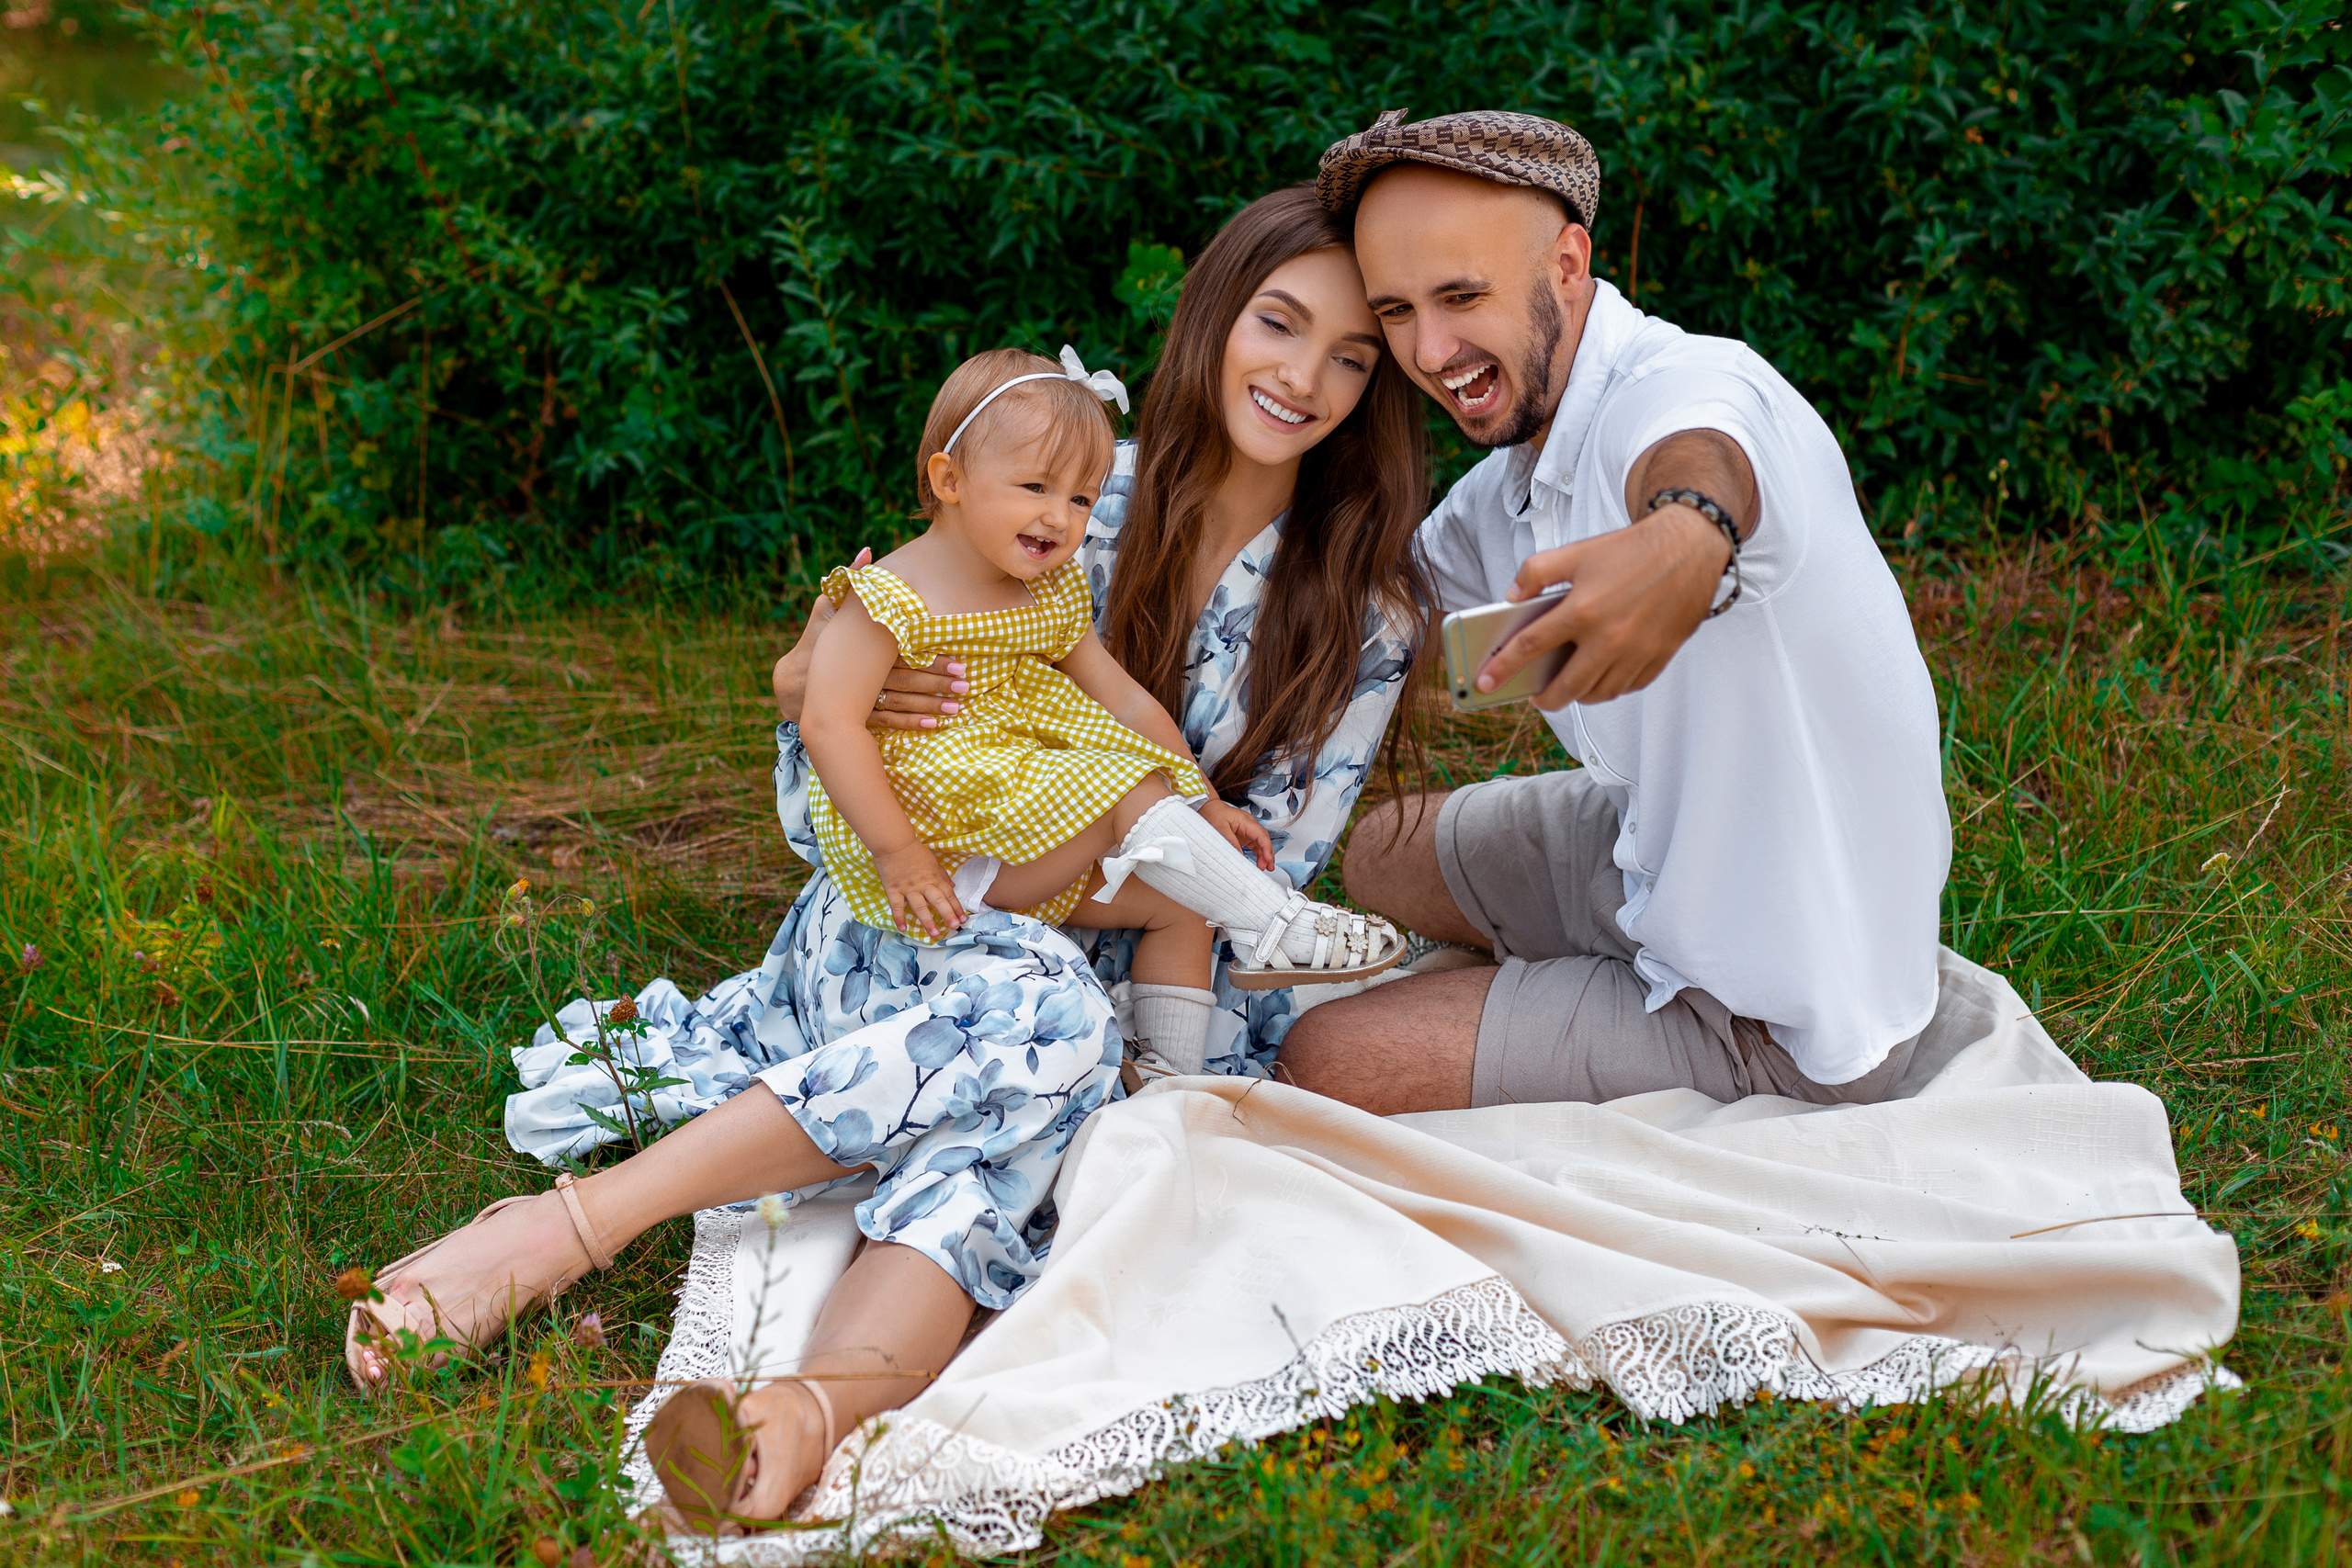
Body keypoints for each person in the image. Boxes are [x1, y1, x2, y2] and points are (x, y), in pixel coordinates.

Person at [347, 184, 1430, 1530]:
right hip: (907, 929)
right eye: (1281, 323)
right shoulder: (1048, 482)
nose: (1307, 377)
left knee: (1028, 1100)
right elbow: (830, 767)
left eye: (1353, 357)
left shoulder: (1361, 607)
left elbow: (1265, 894)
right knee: (1029, 1021)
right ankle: (570, 1231)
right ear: (1216, 314)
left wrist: (1085, 872)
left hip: (1141, 1001)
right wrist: (819, 680)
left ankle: (790, 1420)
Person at [1280, 109, 1951, 1115]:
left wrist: (1681, 537)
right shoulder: (1509, 477)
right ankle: (1531, 988)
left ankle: (1550, 1012)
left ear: (1565, 263)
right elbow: (1378, 631)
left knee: (1328, 1056)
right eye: (1396, 311)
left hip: (1780, 1007)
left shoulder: (1688, 389)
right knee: (1380, 850)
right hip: (1658, 852)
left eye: (1461, 296)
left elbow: (1706, 462)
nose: (1429, 349)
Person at [799, 345, 1403, 1069]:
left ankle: (1166, 1084)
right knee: (1124, 787)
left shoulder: (1047, 592)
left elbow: (1120, 696)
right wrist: (901, 856)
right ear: (949, 479)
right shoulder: (888, 598)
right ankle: (1273, 923)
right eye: (1035, 486)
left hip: (1016, 841)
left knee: (1178, 906)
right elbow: (827, 721)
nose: (1059, 516)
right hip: (941, 851)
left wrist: (1202, 799)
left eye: (1082, 497)